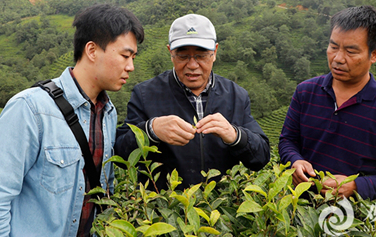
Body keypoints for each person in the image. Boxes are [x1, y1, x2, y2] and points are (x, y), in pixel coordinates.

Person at [0, 4, 144, 236]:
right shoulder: (31, 109)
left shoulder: (107, 113)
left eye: (133, 57)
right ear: (91, 50)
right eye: (124, 56)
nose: (130, 67)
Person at [115, 14, 270, 191]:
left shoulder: (236, 96)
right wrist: (151, 130)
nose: (192, 65)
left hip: (220, 210)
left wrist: (235, 135)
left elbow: (261, 157)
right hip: (164, 210)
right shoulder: (145, 94)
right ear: (170, 53)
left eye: (201, 55)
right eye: (182, 56)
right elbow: (121, 153)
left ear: (215, 52)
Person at [278, 5, 376, 200]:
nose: (338, 58)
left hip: (354, 221)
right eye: (333, 47)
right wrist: (295, 160)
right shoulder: (305, 92)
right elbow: (288, 140)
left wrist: (355, 186)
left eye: (351, 52)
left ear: (374, 55)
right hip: (298, 211)